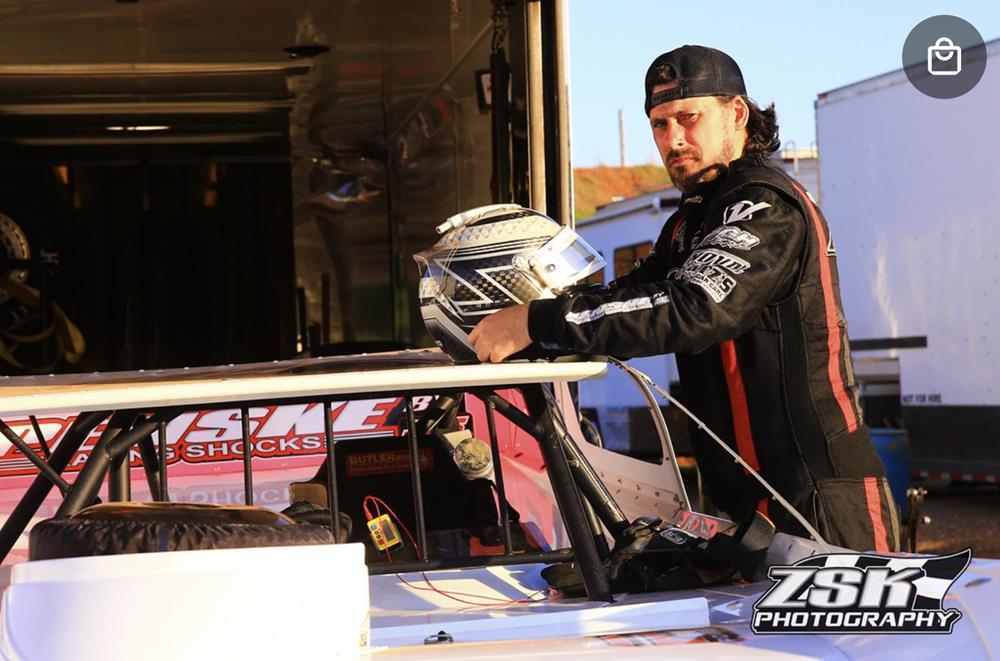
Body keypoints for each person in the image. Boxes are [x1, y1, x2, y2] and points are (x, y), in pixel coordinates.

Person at [468, 44, 900, 552]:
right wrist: (509, 324)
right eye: (659, 124)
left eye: (688, 118)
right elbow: (628, 298)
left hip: (821, 500)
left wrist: (536, 322)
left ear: (737, 114)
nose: (672, 139)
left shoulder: (764, 203)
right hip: (749, 505)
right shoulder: (690, 222)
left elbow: (692, 308)